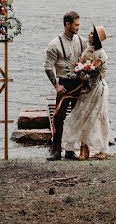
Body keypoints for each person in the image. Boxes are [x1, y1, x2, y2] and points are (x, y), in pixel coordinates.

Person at [61, 25, 110, 160]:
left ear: (96, 38)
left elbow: (99, 71)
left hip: (98, 88)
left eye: (91, 34)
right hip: (86, 87)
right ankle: (84, 148)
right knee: (83, 114)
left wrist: (88, 70)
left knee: (99, 116)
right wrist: (80, 70)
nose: (88, 35)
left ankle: (102, 148)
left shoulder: (101, 54)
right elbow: (80, 64)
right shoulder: (88, 50)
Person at [44, 11, 85, 161]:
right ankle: (56, 151)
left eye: (79, 25)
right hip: (63, 84)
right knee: (58, 117)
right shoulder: (54, 44)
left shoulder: (82, 41)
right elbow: (48, 67)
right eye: (76, 25)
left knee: (76, 117)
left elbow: (94, 53)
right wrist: (56, 85)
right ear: (67, 24)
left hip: (78, 84)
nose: (78, 28)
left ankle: (70, 150)